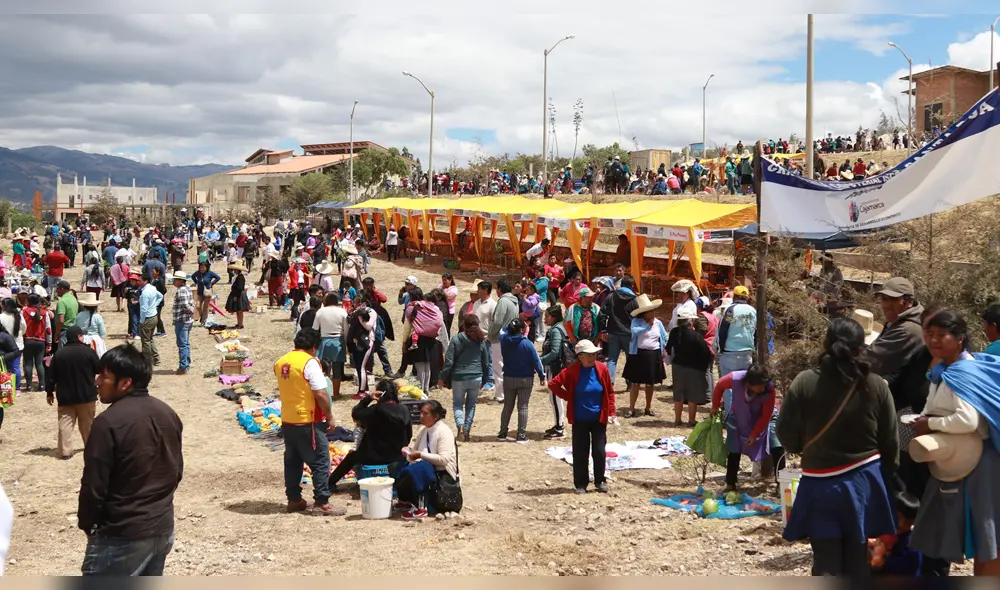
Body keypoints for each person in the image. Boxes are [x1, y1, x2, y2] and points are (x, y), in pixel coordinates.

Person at [776, 317, 899, 578]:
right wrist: (888, 477)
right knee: (859, 558)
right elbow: (890, 440)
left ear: (825, 344)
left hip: (820, 484)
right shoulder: (876, 385)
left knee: (826, 562)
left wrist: (801, 447)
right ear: (860, 348)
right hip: (865, 482)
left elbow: (785, 431)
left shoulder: (804, 382)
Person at [908, 310, 1000, 575]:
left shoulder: (962, 373)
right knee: (981, 536)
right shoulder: (945, 371)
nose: (934, 341)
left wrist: (930, 424)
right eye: (930, 335)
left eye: (941, 335)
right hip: (959, 461)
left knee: (987, 536)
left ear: (959, 339)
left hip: (979, 465)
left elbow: (968, 420)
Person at [78, 344, 183, 576]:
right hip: (162, 527)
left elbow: (94, 485)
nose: (97, 382)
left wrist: (89, 525)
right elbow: (176, 472)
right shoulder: (167, 413)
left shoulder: (107, 423)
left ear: (125, 383)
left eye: (104, 376)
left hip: (122, 534)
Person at [274, 328, 344, 516]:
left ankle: (294, 498)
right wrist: (329, 415)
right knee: (321, 460)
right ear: (314, 348)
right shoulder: (310, 363)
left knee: (293, 460)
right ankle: (321, 501)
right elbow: (320, 392)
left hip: (288, 419)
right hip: (308, 420)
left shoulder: (281, 362)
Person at [548, 339, 616, 493]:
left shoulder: (602, 369)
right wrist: (568, 396)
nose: (593, 357)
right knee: (580, 452)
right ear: (580, 357)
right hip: (580, 418)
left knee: (599, 451)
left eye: (594, 353)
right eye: (589, 354)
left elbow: (610, 392)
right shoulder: (572, 371)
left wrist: (611, 412)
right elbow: (553, 384)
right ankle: (580, 484)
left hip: (599, 418)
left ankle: (600, 481)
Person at [711, 364, 784, 492]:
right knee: (734, 447)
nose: (762, 389)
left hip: (765, 418)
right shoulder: (736, 379)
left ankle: (782, 483)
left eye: (764, 385)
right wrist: (715, 406)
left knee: (776, 446)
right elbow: (720, 386)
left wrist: (754, 434)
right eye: (759, 386)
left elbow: (766, 415)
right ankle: (730, 483)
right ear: (749, 384)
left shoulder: (769, 389)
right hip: (740, 415)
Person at [328, 379, 413, 488]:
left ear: (380, 394)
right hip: (396, 456)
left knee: (352, 456)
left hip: (373, 457)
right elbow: (409, 435)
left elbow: (356, 413)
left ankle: (330, 484)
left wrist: (367, 399)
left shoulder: (375, 410)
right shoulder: (404, 410)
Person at [394, 400, 459, 520]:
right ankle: (406, 500)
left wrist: (421, 455)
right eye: (421, 413)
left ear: (436, 416)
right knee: (400, 466)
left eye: (425, 413)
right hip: (428, 469)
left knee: (420, 469)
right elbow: (415, 452)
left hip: (441, 473)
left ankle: (421, 507)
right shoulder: (424, 431)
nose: (421, 416)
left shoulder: (444, 432)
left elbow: (443, 460)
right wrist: (409, 453)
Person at [45, 326, 100, 459]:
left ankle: (65, 451)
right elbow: (99, 369)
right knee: (88, 424)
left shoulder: (59, 354)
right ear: (79, 337)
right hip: (86, 394)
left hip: (65, 396)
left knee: (65, 424)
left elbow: (51, 376)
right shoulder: (89, 352)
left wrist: (49, 392)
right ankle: (90, 447)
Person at [440, 314, 492, 442]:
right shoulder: (481, 340)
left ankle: (460, 426)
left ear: (464, 325)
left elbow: (449, 361)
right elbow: (486, 362)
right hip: (476, 377)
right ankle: (467, 430)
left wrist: (442, 377)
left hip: (459, 377)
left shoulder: (456, 340)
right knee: (471, 405)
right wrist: (485, 379)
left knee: (457, 404)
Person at [497, 318, 546, 443]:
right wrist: (541, 376)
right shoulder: (527, 344)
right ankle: (521, 434)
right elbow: (536, 361)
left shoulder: (504, 340)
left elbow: (501, 331)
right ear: (521, 330)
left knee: (508, 406)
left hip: (509, 377)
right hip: (525, 378)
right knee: (523, 407)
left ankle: (502, 433)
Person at [624, 294, 668, 419]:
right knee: (635, 383)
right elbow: (635, 332)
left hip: (653, 355)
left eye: (653, 310)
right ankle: (631, 408)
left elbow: (664, 336)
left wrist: (664, 348)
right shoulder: (636, 322)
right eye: (649, 311)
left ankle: (648, 407)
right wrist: (647, 326)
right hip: (638, 354)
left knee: (650, 384)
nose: (652, 313)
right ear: (643, 313)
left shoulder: (658, 323)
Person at [668, 308, 713, 426]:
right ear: (690, 321)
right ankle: (691, 420)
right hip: (694, 368)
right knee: (693, 394)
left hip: (678, 366)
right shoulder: (696, 336)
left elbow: (668, 348)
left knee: (679, 394)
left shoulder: (674, 332)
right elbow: (706, 353)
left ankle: (677, 419)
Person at [600, 275, 638, 384]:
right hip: (629, 334)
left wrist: (603, 330)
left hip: (613, 332)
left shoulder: (611, 296)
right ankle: (630, 382)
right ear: (631, 286)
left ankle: (609, 382)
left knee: (612, 359)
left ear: (621, 285)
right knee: (630, 359)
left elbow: (602, 313)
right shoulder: (635, 300)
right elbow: (639, 317)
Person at [715, 285, 757, 376]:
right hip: (747, 353)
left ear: (734, 296)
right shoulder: (753, 311)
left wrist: (720, 349)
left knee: (728, 385)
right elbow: (756, 332)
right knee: (744, 385)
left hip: (730, 352)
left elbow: (723, 330)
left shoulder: (730, 310)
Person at [488, 280, 519, 403]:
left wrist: (490, 335)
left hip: (500, 338)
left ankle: (501, 396)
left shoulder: (503, 301)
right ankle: (509, 393)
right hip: (511, 337)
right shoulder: (514, 301)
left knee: (498, 367)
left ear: (500, 289)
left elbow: (497, 321)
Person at [313, 293, 349, 397]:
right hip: (338, 340)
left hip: (324, 340)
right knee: (337, 369)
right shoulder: (342, 311)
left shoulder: (320, 312)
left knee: (325, 369)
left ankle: (325, 393)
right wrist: (346, 343)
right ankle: (336, 393)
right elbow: (346, 329)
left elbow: (315, 329)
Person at [20, 293, 50, 392]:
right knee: (39, 363)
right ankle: (41, 385)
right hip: (40, 341)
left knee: (28, 363)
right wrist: (49, 343)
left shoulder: (24, 311)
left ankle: (28, 385)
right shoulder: (44, 313)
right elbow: (48, 329)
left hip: (27, 340)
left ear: (28, 301)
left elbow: (21, 326)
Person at [136, 273, 162, 366]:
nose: (138, 282)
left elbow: (144, 309)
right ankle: (156, 358)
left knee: (145, 341)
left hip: (147, 318)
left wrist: (142, 321)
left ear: (145, 281)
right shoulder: (153, 288)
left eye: (140, 280)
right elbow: (160, 296)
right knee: (150, 339)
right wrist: (154, 305)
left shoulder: (145, 293)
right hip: (154, 316)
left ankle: (147, 361)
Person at [171, 271, 195, 375]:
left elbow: (186, 305)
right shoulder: (188, 288)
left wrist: (191, 312)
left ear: (180, 281)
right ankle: (186, 364)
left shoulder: (181, 291)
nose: (173, 281)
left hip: (182, 320)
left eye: (175, 279)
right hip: (187, 320)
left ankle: (183, 366)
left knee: (182, 344)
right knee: (185, 343)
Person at [74, 292, 107, 356]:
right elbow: (102, 332)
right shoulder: (97, 316)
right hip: (95, 340)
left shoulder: (80, 315)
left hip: (82, 339)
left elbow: (74, 327)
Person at [53, 280, 79, 347]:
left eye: (57, 289)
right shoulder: (73, 298)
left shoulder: (62, 301)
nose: (56, 291)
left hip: (64, 331)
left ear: (62, 289)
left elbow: (61, 320)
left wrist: (57, 333)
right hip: (73, 329)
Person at [225, 264, 250, 329]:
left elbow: (240, 288)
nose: (234, 270)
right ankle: (239, 323)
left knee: (239, 310)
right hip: (236, 294)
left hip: (239, 295)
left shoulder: (240, 277)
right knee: (237, 310)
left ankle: (240, 324)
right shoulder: (237, 276)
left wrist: (236, 296)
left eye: (235, 269)